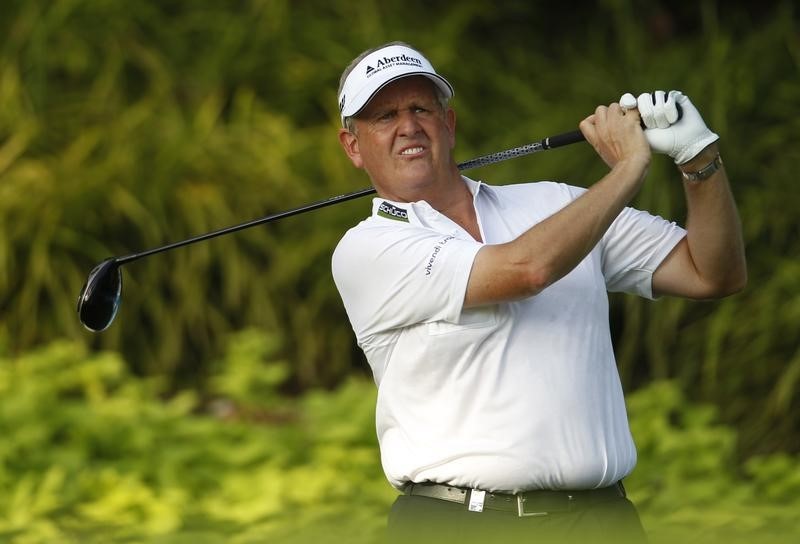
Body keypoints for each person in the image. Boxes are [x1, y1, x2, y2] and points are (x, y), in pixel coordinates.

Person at [331, 41, 746, 543]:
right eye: (383, 115)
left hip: (603, 521)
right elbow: (526, 270)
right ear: (353, 146)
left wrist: (698, 158)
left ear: (449, 124)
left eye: (421, 108)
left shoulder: (557, 204)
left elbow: (713, 273)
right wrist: (627, 168)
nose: (408, 126)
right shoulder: (367, 249)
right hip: (457, 524)